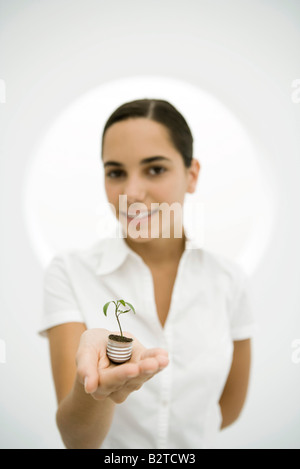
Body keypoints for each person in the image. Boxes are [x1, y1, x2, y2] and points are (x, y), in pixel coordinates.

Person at [39, 98, 255, 449]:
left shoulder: (229, 280)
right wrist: (97, 389)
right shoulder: (70, 273)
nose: (132, 193)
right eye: (116, 172)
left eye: (155, 169)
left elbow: (226, 411)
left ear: (192, 175)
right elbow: (76, 439)